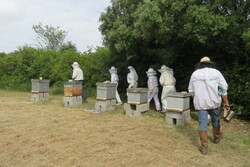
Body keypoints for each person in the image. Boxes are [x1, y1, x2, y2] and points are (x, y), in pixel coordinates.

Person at [188, 56, 230, 155]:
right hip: (214, 102)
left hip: (201, 104)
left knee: (202, 123)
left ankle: (204, 148)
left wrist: (197, 100)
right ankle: (217, 137)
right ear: (210, 63)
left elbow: (191, 91)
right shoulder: (216, 73)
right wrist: (226, 102)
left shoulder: (195, 74)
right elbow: (223, 88)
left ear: (200, 64)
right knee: (215, 120)